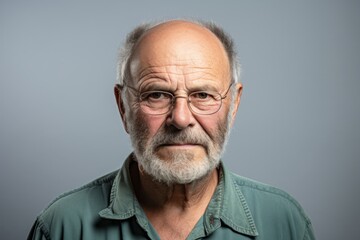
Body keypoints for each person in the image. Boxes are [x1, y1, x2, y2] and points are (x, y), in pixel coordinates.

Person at [28, 19, 315, 240]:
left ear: (234, 104)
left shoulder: (284, 222)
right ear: (123, 106)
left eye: (202, 95)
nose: (180, 118)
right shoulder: (60, 227)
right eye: (157, 95)